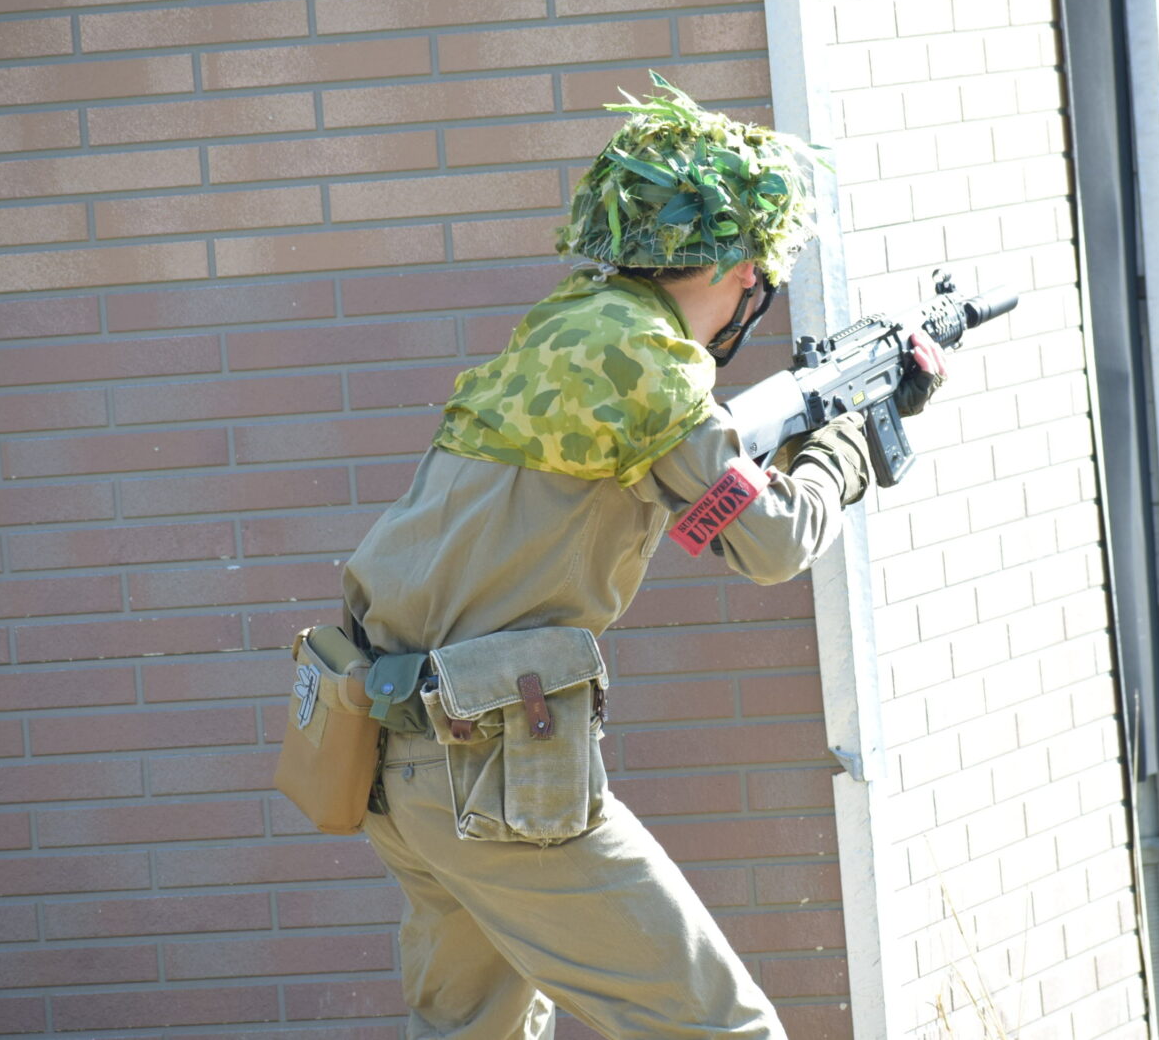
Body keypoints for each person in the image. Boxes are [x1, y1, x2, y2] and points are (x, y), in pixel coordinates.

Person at [340, 75, 948, 1040]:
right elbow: (773, 545)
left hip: (390, 751)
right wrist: (845, 447)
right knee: (722, 1030)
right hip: (491, 771)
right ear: (740, 267)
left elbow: (685, 489)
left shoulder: (566, 325)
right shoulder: (652, 369)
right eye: (756, 276)